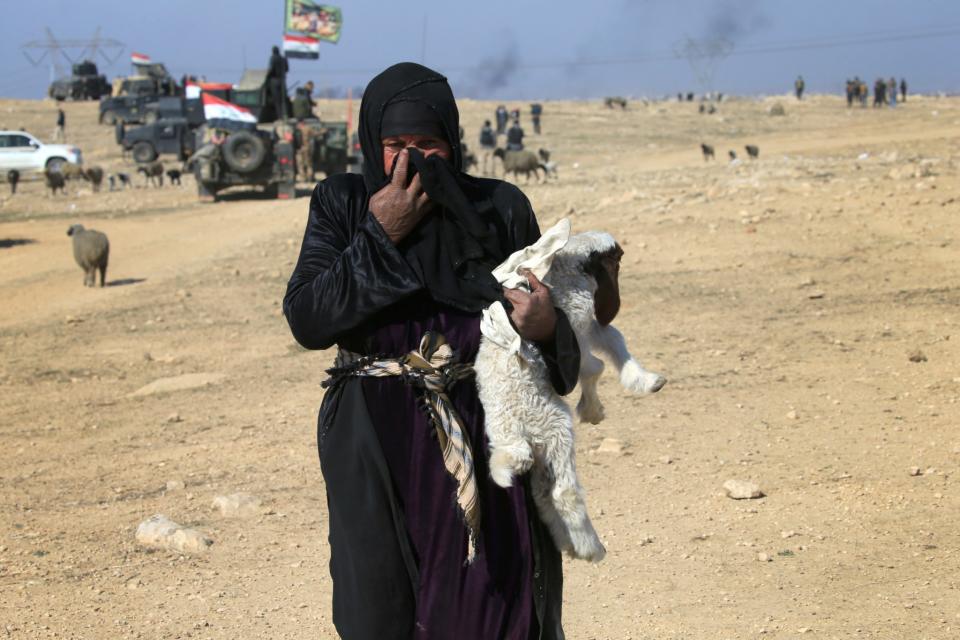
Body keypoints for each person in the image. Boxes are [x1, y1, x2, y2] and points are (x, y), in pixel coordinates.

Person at [284, 62, 577, 640]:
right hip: (374, 433)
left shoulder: (500, 207)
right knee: (379, 606)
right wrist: (380, 235)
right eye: (394, 146)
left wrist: (545, 326)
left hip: (485, 419)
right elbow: (309, 318)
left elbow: (560, 364)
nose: (409, 164)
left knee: (492, 595)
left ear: (454, 141)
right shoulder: (344, 203)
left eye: (428, 146)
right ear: (372, 143)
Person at [267, 45, 289, 121]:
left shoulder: (273, 58)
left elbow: (271, 69)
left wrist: (267, 76)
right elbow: (287, 69)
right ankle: (285, 115)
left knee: (277, 100)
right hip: (282, 80)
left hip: (274, 80)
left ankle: (280, 117)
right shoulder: (283, 59)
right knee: (284, 99)